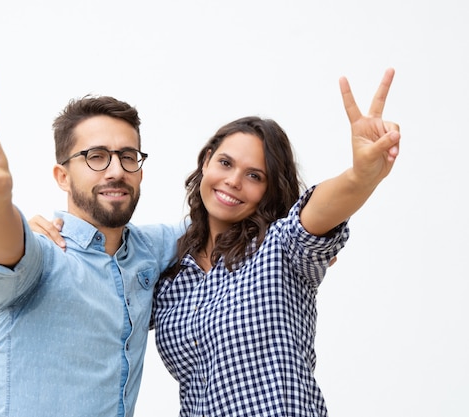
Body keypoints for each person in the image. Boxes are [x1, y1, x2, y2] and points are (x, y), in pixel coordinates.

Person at [31, 68, 401, 416]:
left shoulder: (280, 250)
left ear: (269, 190)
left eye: (254, 175)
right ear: (207, 161)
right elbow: (102, 289)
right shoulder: (169, 273)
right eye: (225, 163)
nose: (234, 181)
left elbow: (317, 213)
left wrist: (360, 176)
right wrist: (38, 235)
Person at [0, 70, 183, 417]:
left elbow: (214, 218)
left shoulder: (151, 248)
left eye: (127, 156)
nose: (115, 170)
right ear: (63, 176)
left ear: (140, 171)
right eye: (96, 156)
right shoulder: (44, 254)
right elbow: (6, 249)